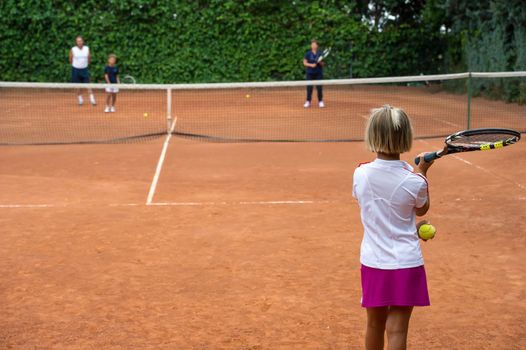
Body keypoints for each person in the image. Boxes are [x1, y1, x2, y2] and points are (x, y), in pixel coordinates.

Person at [353, 105, 440, 350]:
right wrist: (422, 171)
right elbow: (421, 210)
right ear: (406, 138)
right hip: (407, 262)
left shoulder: (360, 174)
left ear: (372, 136)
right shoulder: (415, 181)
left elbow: (375, 213)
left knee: (374, 325)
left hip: (373, 261)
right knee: (398, 329)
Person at [69, 36, 96, 106]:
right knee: (77, 86)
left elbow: (89, 58)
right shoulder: (73, 49)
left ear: (83, 41)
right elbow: (70, 59)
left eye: (80, 41)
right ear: (76, 42)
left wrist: (85, 65)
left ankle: (92, 100)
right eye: (78, 41)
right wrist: (76, 65)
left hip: (84, 69)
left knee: (88, 85)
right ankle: (80, 100)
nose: (79, 42)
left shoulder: (87, 48)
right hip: (75, 70)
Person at [303, 39, 324, 108]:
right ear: (311, 46)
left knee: (319, 87)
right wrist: (311, 65)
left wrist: (320, 62)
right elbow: (304, 63)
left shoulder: (320, 54)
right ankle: (308, 101)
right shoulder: (308, 53)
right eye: (312, 44)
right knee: (309, 88)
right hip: (310, 73)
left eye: (315, 44)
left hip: (318, 73)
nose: (313, 46)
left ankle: (320, 101)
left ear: (317, 46)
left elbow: (323, 64)